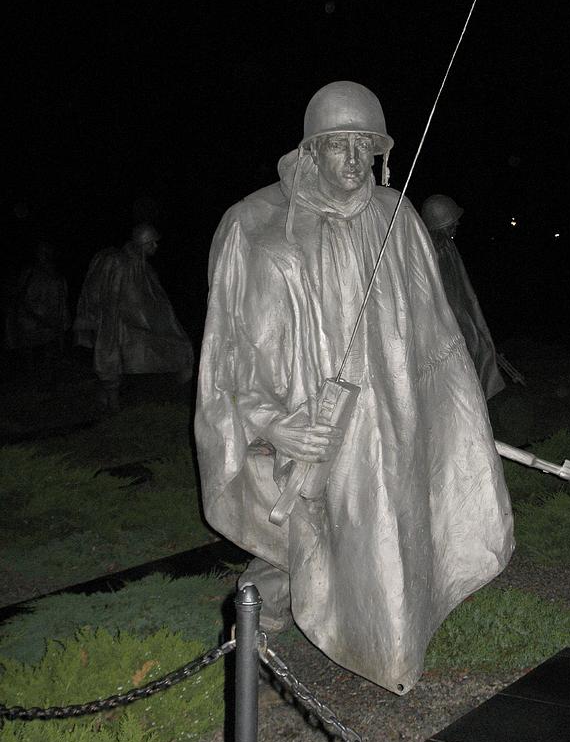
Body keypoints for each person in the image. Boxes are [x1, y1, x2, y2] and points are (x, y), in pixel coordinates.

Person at [195, 81, 513, 695]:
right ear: (310, 149)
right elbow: (230, 354)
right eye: (337, 144)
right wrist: (268, 421)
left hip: (387, 421)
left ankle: (389, 643)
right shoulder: (256, 225)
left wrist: (446, 413)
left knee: (383, 529)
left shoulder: (397, 218)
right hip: (306, 420)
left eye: (362, 146)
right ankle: (273, 600)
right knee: (316, 523)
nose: (350, 161)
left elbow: (435, 332)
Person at [73, 223, 193, 412]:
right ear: (142, 243)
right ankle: (112, 407)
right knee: (110, 359)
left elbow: (153, 301)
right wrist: (94, 317)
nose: (155, 247)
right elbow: (101, 290)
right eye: (151, 243)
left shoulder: (144, 268)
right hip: (112, 320)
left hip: (136, 322)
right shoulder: (117, 261)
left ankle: (174, 397)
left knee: (177, 347)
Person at [421, 194, 505, 399]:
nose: (457, 224)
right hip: (448, 334)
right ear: (444, 223)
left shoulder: (434, 246)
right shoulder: (439, 249)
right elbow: (452, 298)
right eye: (452, 221)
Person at [3, 240, 70, 384]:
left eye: (47, 250)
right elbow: (19, 294)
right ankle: (31, 379)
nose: (44, 254)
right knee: (30, 351)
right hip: (30, 319)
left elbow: (61, 299)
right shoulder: (30, 272)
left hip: (50, 319)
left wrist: (61, 320)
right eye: (41, 250)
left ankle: (48, 380)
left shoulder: (56, 273)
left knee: (50, 351)